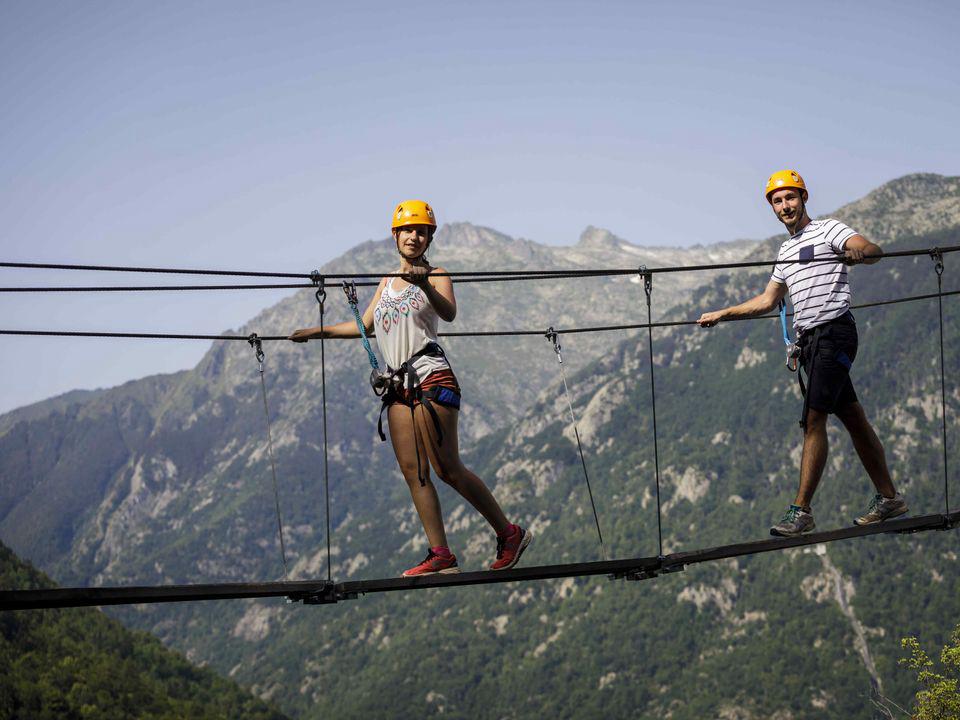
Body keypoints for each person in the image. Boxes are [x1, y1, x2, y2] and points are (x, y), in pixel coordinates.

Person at [290, 200, 531, 574]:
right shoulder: (387, 281)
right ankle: (441, 554)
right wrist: (319, 331)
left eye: (421, 231)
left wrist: (424, 285)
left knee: (447, 468)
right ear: (395, 235)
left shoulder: (437, 274)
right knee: (414, 471)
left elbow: (448, 312)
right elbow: (366, 326)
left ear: (429, 238)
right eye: (407, 230)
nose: (414, 236)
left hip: (430, 375)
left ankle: (509, 532)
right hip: (397, 386)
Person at [697, 170, 907, 536]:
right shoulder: (785, 251)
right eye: (777, 201)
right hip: (811, 343)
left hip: (834, 334)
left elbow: (873, 250)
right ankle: (889, 498)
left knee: (813, 420)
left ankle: (802, 511)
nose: (785, 206)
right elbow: (768, 300)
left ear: (804, 198)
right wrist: (723, 313)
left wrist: (862, 254)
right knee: (853, 418)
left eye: (790, 198)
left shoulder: (828, 230)